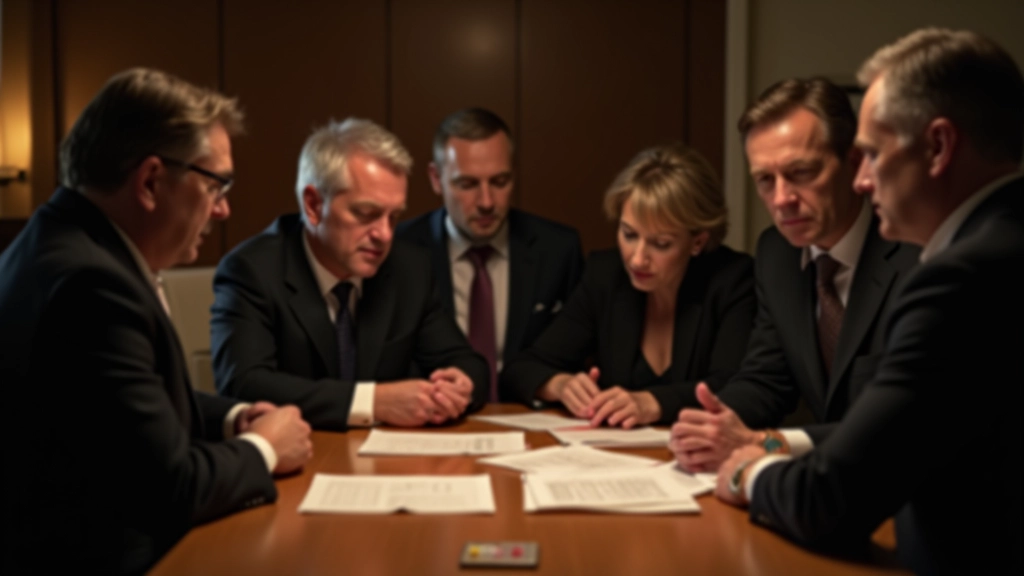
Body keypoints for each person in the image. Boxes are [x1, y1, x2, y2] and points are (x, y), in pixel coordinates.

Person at [715, 28, 1024, 575]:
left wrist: (749, 472)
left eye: (873, 154)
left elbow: (832, 499)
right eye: (764, 180)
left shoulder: (962, 276)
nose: (862, 179)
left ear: (938, 147)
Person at [0, 68, 313, 575]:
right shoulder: (93, 287)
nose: (224, 210)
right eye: (216, 185)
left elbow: (130, 414)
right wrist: (264, 449)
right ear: (150, 181)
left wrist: (234, 419)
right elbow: (172, 488)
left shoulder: (61, 245)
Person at [669, 78, 919, 471]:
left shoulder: (916, 250)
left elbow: (905, 419)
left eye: (801, 172)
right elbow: (767, 378)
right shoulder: (776, 253)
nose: (781, 198)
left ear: (854, 163)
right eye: (765, 180)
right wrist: (714, 423)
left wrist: (772, 443)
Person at [211, 118, 489, 430]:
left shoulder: (409, 268)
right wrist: (372, 401)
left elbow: (469, 363)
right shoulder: (253, 270)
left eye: (394, 217)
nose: (384, 235)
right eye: (366, 214)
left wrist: (458, 385)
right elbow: (243, 384)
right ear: (314, 205)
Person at [501, 144, 755, 427]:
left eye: (661, 244)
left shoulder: (732, 280)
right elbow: (519, 369)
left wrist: (653, 402)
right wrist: (559, 384)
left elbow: (735, 388)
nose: (637, 259)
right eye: (629, 234)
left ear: (698, 242)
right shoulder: (606, 275)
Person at [396, 108, 584, 401]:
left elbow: (572, 354)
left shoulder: (558, 250)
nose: (486, 202)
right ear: (436, 179)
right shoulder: (401, 249)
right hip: (436, 423)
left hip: (531, 423)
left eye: (499, 182)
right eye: (467, 184)